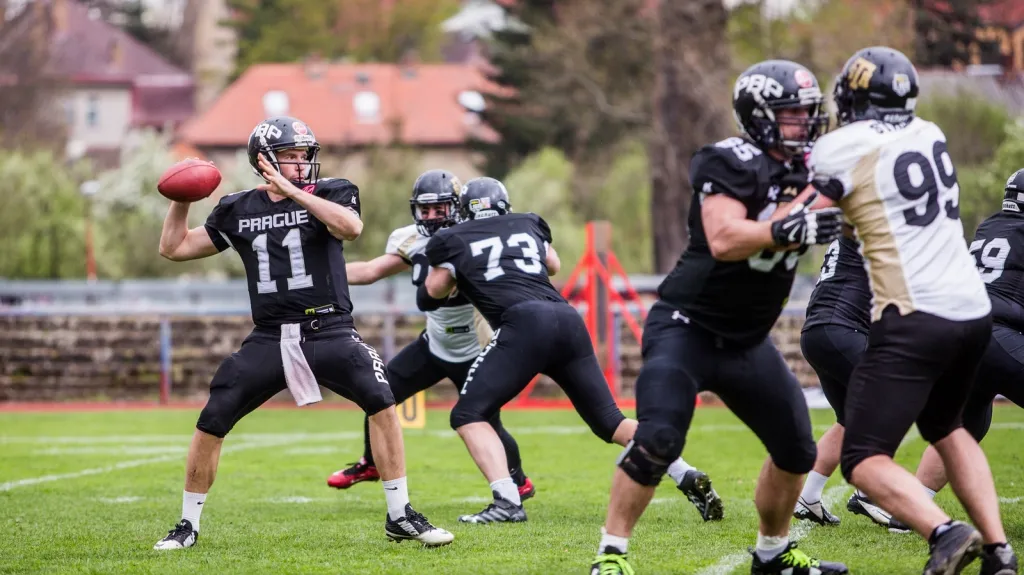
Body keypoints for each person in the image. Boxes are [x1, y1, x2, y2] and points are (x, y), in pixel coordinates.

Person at [590, 60, 848, 575]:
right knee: (658, 438)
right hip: (686, 327)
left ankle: (773, 554)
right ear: (759, 116)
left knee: (797, 449)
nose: (804, 123)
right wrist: (792, 225)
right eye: (791, 113)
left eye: (807, 112)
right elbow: (725, 239)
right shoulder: (730, 160)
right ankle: (611, 557)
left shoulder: (815, 168)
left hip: (748, 342)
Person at [153, 115, 453, 550]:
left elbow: (350, 228)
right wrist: (181, 199)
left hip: (329, 327)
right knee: (213, 418)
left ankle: (399, 513)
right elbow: (174, 248)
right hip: (270, 335)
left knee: (381, 399)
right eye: (290, 157)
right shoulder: (238, 207)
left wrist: (293, 192)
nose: (301, 164)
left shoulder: (333, 191)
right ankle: (187, 524)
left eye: (303, 156)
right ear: (264, 161)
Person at [808, 46, 1016, 574]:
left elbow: (805, 220)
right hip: (973, 313)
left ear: (855, 99)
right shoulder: (929, 133)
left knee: (862, 457)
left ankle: (945, 532)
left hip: (917, 313)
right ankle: (1000, 552)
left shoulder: (841, 146)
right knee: (950, 428)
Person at [420, 177, 721, 525]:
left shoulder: (453, 238)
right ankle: (685, 473)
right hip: (567, 320)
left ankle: (506, 501)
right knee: (611, 421)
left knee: (467, 414)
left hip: (524, 325)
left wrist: (458, 271)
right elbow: (552, 265)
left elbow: (432, 292)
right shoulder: (527, 222)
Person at [326, 169, 535, 501]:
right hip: (434, 343)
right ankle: (371, 463)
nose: (433, 216)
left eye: (441, 209)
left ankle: (519, 481)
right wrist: (320, 274)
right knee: (377, 394)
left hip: (473, 348)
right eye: (426, 210)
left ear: (457, 207)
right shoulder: (412, 239)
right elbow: (371, 270)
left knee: (484, 420)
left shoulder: (474, 234)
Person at [795, 231, 910, 532]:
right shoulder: (873, 224)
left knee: (849, 419)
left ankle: (807, 497)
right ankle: (869, 490)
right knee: (894, 398)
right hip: (840, 330)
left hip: (817, 333)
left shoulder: (856, 229)